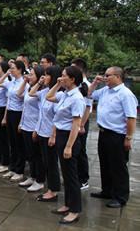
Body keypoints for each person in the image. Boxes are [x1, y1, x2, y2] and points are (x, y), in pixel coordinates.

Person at [88, 66, 138, 208]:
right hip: (104, 133)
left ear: (118, 77)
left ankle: (120, 196)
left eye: (108, 75)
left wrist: (128, 138)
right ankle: (107, 190)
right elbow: (89, 95)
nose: (105, 77)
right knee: (105, 163)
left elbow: (131, 118)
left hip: (117, 135)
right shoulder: (105, 91)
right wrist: (95, 83)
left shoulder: (125, 94)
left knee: (118, 166)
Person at [46, 66, 87, 224]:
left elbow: (76, 125)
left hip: (69, 137)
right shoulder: (65, 94)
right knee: (66, 173)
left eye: (63, 76)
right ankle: (67, 204)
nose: (61, 78)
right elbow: (49, 97)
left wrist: (69, 146)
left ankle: (75, 210)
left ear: (73, 79)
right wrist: (57, 84)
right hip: (61, 136)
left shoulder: (76, 98)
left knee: (71, 176)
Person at [30, 65, 63, 202]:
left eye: (47, 75)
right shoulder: (45, 92)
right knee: (45, 162)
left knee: (51, 164)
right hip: (42, 132)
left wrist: (53, 135)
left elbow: (57, 117)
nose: (44, 77)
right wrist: (37, 130)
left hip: (50, 134)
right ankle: (50, 189)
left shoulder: (59, 94)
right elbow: (31, 93)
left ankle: (53, 191)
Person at [0, 60, 27, 182]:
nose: (11, 70)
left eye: (13, 68)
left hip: (19, 114)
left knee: (19, 144)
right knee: (12, 143)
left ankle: (19, 170)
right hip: (10, 113)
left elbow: (25, 103)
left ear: (20, 69)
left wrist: (22, 121)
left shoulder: (24, 84)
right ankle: (13, 168)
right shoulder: (11, 83)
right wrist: (6, 74)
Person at [17, 66, 45, 192]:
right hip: (26, 125)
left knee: (37, 155)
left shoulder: (42, 92)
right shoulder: (30, 88)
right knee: (30, 154)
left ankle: (40, 180)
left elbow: (42, 112)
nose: (29, 77)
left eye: (32, 75)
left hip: (35, 127)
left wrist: (37, 129)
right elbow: (24, 105)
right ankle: (32, 177)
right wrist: (21, 123)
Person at [71, 58, 92, 190]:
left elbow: (88, 108)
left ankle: (83, 179)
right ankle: (76, 176)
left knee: (80, 151)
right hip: (76, 122)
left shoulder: (86, 85)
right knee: (75, 151)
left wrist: (81, 125)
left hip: (82, 122)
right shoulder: (77, 83)